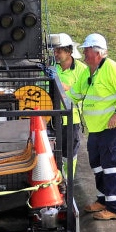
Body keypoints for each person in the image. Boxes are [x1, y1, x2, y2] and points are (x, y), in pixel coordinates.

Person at [71, 33, 116, 221]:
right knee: (97, 165)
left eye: (87, 50)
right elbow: (75, 94)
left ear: (98, 53)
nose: (84, 53)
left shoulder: (112, 68)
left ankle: (115, 208)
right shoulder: (88, 71)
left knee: (111, 166)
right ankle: (103, 200)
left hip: (113, 128)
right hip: (97, 128)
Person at [48, 32, 87, 173]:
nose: (55, 54)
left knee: (69, 155)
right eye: (54, 50)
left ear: (69, 51)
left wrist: (63, 87)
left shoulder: (83, 70)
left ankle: (68, 185)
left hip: (71, 119)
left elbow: (83, 93)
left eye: (58, 51)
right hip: (50, 117)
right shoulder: (51, 68)